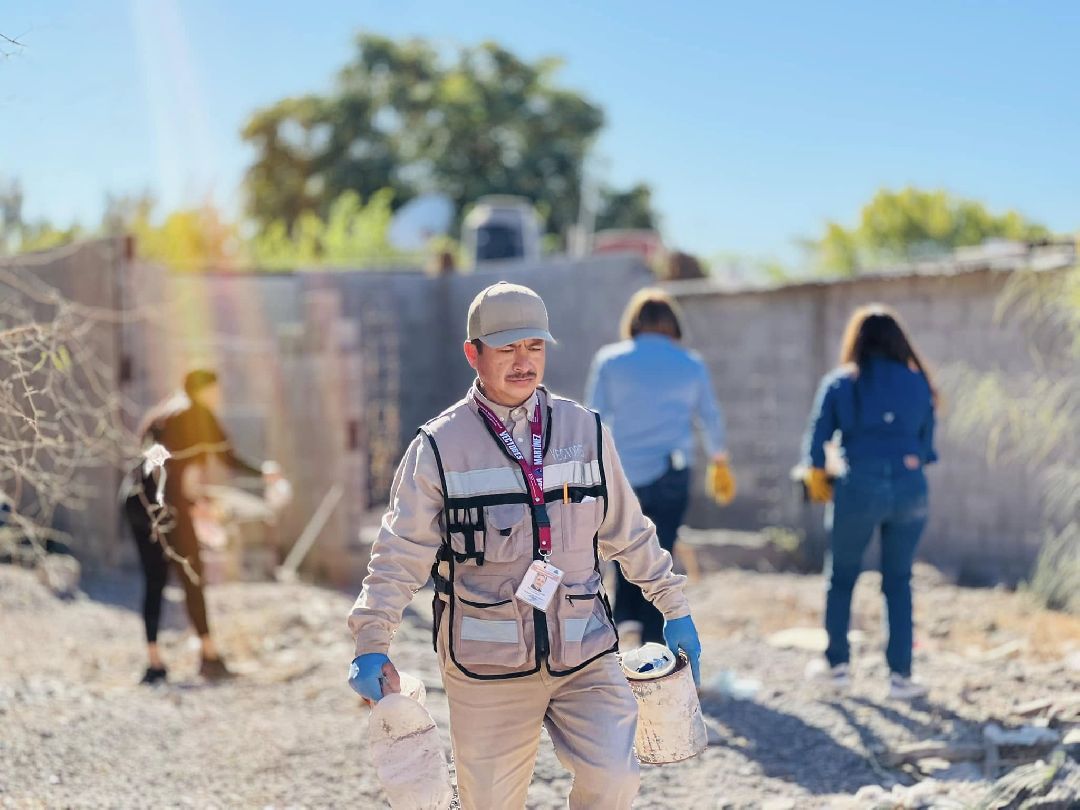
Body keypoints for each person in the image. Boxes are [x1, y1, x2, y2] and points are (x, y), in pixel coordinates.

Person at [347, 281, 702, 810]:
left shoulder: (586, 430)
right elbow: (399, 552)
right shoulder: (439, 447)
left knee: (615, 779)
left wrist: (674, 607)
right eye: (507, 347)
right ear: (474, 354)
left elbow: (630, 530)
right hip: (485, 666)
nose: (523, 361)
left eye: (534, 347)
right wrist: (372, 639)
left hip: (585, 650)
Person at [801, 304, 938, 700]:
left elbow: (817, 440)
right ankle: (901, 677)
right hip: (911, 487)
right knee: (898, 581)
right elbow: (927, 448)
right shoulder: (919, 383)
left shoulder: (842, 382)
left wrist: (816, 473)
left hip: (857, 485)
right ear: (899, 340)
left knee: (841, 577)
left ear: (856, 340)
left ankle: (838, 667)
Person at [585, 288, 733, 645]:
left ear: (633, 322)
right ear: (673, 324)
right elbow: (710, 417)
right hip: (672, 471)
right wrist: (719, 460)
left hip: (622, 474)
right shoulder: (691, 364)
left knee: (622, 546)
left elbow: (593, 417)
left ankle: (624, 621)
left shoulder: (610, 360)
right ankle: (654, 641)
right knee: (660, 552)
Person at [123, 369, 281, 684]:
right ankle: (209, 656)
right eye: (214, 391)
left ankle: (155, 662)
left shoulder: (161, 415)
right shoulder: (195, 414)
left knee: (154, 580)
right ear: (204, 390)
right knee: (192, 577)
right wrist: (263, 472)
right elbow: (227, 458)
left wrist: (189, 499)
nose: (216, 397)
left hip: (134, 501)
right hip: (166, 508)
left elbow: (156, 464)